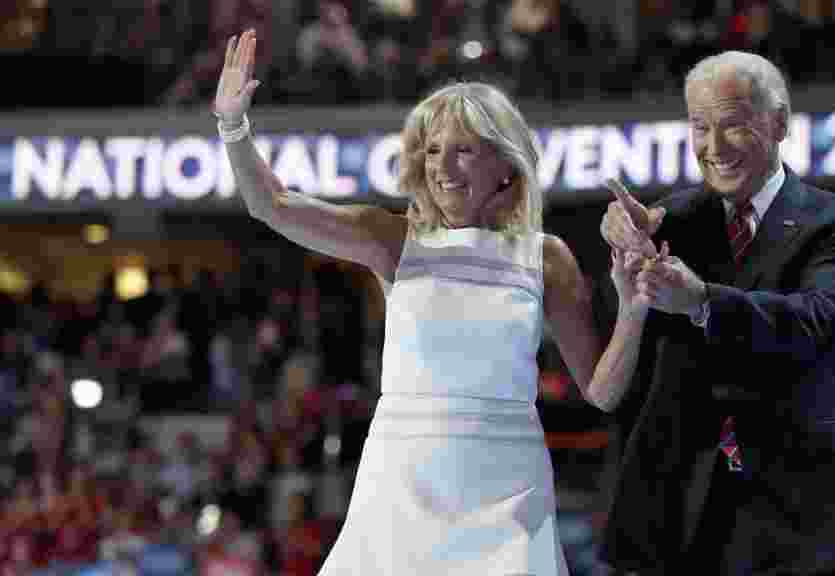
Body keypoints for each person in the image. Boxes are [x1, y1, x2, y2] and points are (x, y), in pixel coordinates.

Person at [214, 29, 654, 575]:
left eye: (463, 151)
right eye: (433, 150)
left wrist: (633, 305)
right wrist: (233, 126)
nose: (442, 167)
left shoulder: (547, 258)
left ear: (505, 164)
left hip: (508, 492)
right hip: (402, 486)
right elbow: (272, 205)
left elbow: (603, 390)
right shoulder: (393, 238)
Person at [595, 51, 835, 574]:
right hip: (679, 512)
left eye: (733, 125)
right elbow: (613, 366)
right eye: (700, 127)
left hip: (798, 513)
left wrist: (703, 301)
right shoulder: (670, 218)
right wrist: (619, 238)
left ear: (779, 124)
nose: (714, 146)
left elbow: (820, 319)